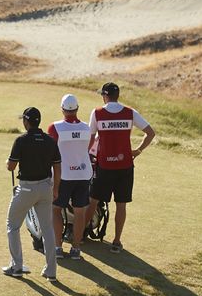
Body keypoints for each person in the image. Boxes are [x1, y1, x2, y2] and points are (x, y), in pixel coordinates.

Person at [86, 82, 155, 253]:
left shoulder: (97, 113)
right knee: (121, 204)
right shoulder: (130, 113)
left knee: (93, 200)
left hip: (104, 166)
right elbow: (150, 133)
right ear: (117, 96)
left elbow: (90, 138)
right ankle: (116, 242)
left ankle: (80, 235)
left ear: (105, 96)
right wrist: (138, 150)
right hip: (125, 166)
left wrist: (84, 156)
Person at [3, 106, 60, 280]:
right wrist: (56, 188)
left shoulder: (21, 140)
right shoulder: (50, 140)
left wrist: (7, 162)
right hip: (46, 188)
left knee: (12, 225)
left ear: (26, 122)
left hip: (27, 189)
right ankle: (51, 271)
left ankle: (17, 266)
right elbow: (57, 166)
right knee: (47, 229)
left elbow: (11, 166)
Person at [49, 93, 91, 260]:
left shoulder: (54, 127)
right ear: (77, 109)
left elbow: (50, 152)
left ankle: (58, 247)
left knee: (56, 209)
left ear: (62, 109)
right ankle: (76, 249)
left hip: (63, 175)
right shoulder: (87, 128)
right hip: (83, 173)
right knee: (80, 212)